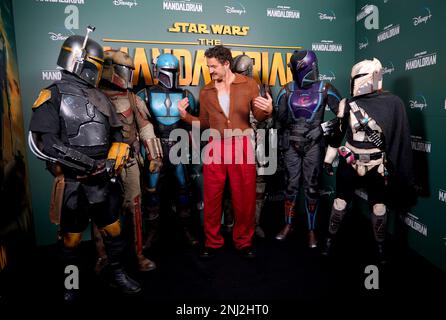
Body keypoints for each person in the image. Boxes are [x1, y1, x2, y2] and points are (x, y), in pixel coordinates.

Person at [28, 27, 141, 302]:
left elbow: (116, 134)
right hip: (73, 184)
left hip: (103, 181)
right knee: (71, 240)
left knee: (114, 231)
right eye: (95, 65)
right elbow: (46, 143)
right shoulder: (52, 94)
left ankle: (117, 274)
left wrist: (117, 153)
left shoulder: (100, 96)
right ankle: (72, 284)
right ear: (80, 61)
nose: (97, 71)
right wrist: (88, 164)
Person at [178, 45, 273, 258]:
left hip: (241, 145)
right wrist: (185, 116)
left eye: (213, 66)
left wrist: (267, 111)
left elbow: (258, 116)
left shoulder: (248, 84)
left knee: (245, 197)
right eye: (208, 66)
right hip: (215, 145)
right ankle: (212, 242)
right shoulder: (206, 91)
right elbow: (204, 122)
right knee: (212, 196)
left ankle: (244, 241)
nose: (210, 71)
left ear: (226, 64)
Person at [321, 58, 414, 264]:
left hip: (377, 164)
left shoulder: (393, 104)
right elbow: (337, 136)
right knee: (340, 203)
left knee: (379, 207)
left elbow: (400, 139)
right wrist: (328, 160)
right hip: (350, 161)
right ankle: (330, 239)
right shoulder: (347, 104)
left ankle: (380, 246)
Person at [93, 49, 162, 273]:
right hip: (101, 164)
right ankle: (103, 256)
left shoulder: (131, 97)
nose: (127, 75)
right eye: (124, 69)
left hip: (129, 162)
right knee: (101, 211)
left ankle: (138, 253)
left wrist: (154, 154)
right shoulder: (91, 96)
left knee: (135, 209)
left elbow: (145, 127)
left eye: (129, 70)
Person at [274, 50, 341, 248]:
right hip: (291, 144)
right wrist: (281, 145)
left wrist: (322, 129)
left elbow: (344, 116)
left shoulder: (325, 88)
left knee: (312, 189)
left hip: (314, 144)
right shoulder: (287, 90)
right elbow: (280, 121)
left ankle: (312, 230)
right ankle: (289, 225)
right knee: (290, 187)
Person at [137, 53, 198, 247]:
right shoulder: (144, 95)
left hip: (178, 148)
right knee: (152, 191)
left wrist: (194, 155)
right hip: (155, 149)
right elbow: (140, 127)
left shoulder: (187, 95)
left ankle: (186, 230)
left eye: (173, 71)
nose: (169, 75)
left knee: (183, 189)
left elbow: (192, 127)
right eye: (167, 71)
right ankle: (152, 233)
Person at [229, 54, 274, 238]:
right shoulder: (227, 89)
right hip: (236, 142)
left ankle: (255, 224)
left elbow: (270, 122)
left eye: (241, 72)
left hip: (259, 142)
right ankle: (233, 224)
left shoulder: (262, 90)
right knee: (232, 185)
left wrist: (264, 118)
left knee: (259, 187)